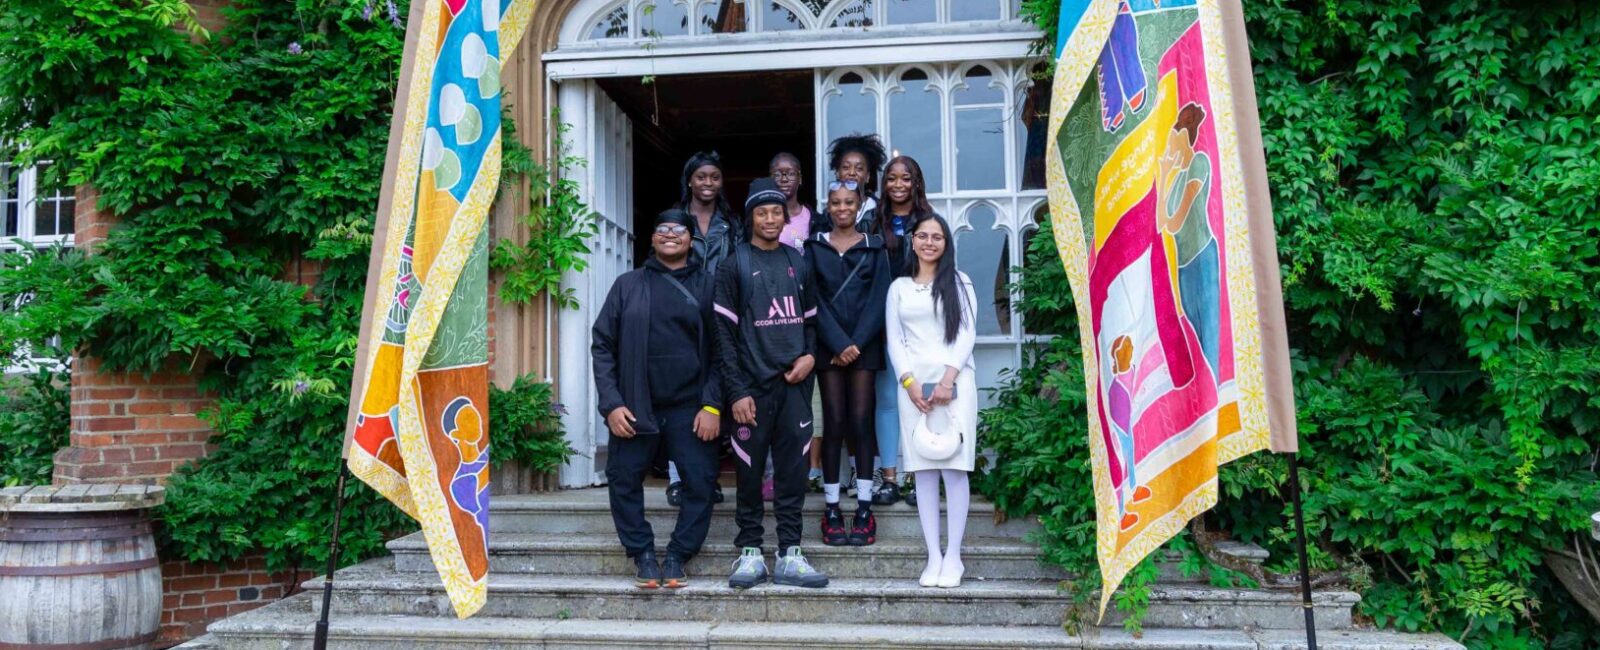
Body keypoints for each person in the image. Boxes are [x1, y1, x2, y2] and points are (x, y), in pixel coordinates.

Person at [591, 209, 724, 590]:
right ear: (651, 239)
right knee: (623, 478)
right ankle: (643, 555)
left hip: (691, 406)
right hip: (635, 404)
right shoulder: (627, 285)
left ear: (690, 239)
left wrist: (712, 404)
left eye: (677, 230)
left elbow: (722, 351)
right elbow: (603, 346)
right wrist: (612, 403)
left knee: (700, 483)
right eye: (661, 229)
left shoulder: (708, 285)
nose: (669, 235)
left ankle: (680, 554)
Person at [713, 177, 829, 589]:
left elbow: (813, 323)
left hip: (794, 386)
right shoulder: (735, 265)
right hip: (751, 390)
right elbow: (723, 338)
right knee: (748, 473)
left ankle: (790, 553)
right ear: (750, 217)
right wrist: (737, 391)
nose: (769, 218)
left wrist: (810, 357)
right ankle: (749, 553)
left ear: (786, 216)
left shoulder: (799, 261)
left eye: (776, 211)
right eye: (761, 212)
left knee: (794, 472)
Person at [885, 215, 978, 589]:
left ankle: (953, 555)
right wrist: (908, 382)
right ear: (912, 241)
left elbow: (967, 334)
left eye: (936, 236)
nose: (928, 242)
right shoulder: (899, 288)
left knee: (955, 469)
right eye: (922, 235)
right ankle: (933, 556)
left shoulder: (959, 282)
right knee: (922, 471)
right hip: (913, 390)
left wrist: (946, 380)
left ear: (945, 243)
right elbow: (895, 340)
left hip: (955, 385)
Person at [804, 179, 891, 547]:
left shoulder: (874, 248)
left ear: (860, 206)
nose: (842, 208)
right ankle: (833, 508)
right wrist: (839, 342)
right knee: (834, 424)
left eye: (849, 202)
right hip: (828, 347)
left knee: (861, 422)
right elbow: (812, 299)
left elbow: (880, 299)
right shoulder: (813, 248)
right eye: (835, 202)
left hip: (864, 346)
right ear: (828, 206)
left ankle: (865, 508)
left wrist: (855, 343)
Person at [857, 155, 936, 506]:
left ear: (916, 182)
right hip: (882, 325)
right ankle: (889, 477)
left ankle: (921, 479)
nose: (899, 184)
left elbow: (943, 274)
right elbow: (862, 275)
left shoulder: (930, 222)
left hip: (923, 326)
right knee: (887, 402)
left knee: (922, 401)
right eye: (892, 178)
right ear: (883, 183)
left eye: (906, 178)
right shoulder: (872, 223)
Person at [668, 151, 738, 507]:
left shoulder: (731, 223)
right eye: (701, 177)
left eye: (714, 177)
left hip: (721, 311)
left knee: (715, 398)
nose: (708, 183)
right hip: (682, 311)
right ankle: (678, 478)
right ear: (690, 180)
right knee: (679, 394)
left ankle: (706, 477)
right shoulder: (676, 220)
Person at [824, 133, 887, 232]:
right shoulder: (827, 215)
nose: (852, 173)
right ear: (837, 173)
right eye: (846, 167)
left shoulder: (881, 212)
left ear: (868, 176)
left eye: (859, 168)